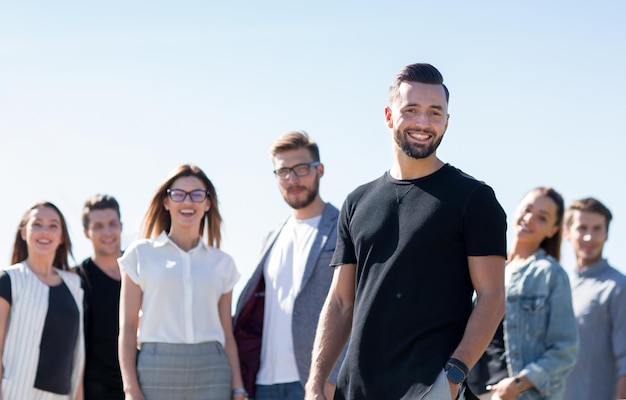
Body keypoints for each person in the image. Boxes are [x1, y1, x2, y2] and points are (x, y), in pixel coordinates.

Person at [305, 63, 507, 400]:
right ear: (388, 115)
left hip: (431, 389)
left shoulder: (474, 199)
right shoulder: (358, 201)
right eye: (411, 110)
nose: (423, 123)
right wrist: (315, 383)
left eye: (434, 112)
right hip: (356, 390)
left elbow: (492, 297)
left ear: (447, 120)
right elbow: (341, 302)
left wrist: (452, 379)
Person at [118, 164, 246, 400]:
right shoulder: (140, 254)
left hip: (212, 370)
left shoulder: (223, 263)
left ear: (207, 203)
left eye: (197, 194)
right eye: (178, 194)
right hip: (156, 368)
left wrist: (238, 388)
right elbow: (127, 327)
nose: (188, 201)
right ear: (166, 202)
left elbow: (227, 335)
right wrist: (130, 389)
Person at [233, 131, 345, 400]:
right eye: (283, 172)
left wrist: (331, 380)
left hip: (315, 383)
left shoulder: (344, 228)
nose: (292, 180)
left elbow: (353, 306)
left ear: (320, 171)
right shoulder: (270, 238)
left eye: (301, 169)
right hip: (264, 384)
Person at [474, 188, 579, 400]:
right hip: (471, 391)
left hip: (516, 395)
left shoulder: (550, 274)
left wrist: (517, 385)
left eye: (542, 217)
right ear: (516, 211)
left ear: (553, 230)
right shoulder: (486, 267)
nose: (530, 218)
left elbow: (564, 351)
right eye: (527, 209)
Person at [0, 201, 84, 399]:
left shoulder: (75, 284)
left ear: (62, 237)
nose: (45, 231)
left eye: (53, 225)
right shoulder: (9, 280)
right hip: (15, 393)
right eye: (37, 224)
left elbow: (78, 350)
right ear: (23, 233)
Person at [563, 198, 626, 400]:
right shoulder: (559, 286)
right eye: (582, 228)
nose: (589, 237)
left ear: (606, 234)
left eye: (597, 228)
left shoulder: (618, 287)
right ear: (567, 232)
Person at [75, 194, 124, 400]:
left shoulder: (142, 270)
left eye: (112, 224)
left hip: (143, 384)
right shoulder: (77, 278)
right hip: (97, 389)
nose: (107, 232)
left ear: (121, 225)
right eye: (99, 226)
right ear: (87, 232)